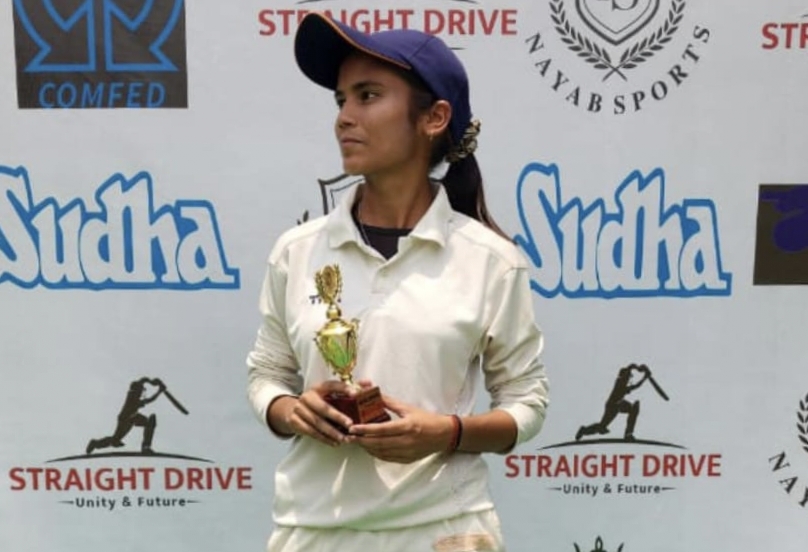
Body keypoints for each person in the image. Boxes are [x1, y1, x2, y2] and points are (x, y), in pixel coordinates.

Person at [247, 13, 548, 552]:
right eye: (341, 100)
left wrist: (448, 432)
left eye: (367, 96)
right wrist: (292, 410)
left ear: (434, 117)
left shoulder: (491, 261)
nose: (344, 117)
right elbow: (266, 375)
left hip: (445, 531)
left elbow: (526, 402)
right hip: (313, 532)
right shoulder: (297, 251)